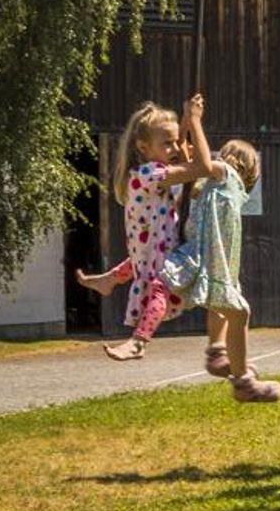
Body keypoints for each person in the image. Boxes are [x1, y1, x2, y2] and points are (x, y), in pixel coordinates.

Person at [156, 94, 280, 402]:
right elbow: (195, 157)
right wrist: (190, 120)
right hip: (209, 257)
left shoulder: (223, 180)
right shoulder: (223, 179)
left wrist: (192, 120)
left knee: (224, 304)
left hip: (213, 260)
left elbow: (197, 158)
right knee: (238, 312)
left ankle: (217, 353)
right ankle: (242, 383)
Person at [89, 100, 212, 362]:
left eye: (176, 141)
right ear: (144, 148)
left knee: (140, 264)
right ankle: (139, 341)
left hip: (148, 244)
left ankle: (110, 280)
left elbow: (188, 167)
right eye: (167, 143)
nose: (175, 148)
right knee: (159, 288)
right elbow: (203, 168)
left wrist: (185, 123)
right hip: (157, 247)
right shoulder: (152, 174)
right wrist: (195, 122)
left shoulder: (146, 173)